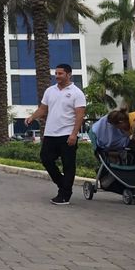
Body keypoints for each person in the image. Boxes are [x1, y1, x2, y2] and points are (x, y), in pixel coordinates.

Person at [25, 64, 87, 205]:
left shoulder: (77, 93)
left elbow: (79, 116)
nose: (57, 76)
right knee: (46, 159)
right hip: (51, 134)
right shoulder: (50, 91)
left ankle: (64, 195)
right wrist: (32, 117)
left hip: (67, 134)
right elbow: (43, 109)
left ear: (69, 74)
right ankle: (63, 185)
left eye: (60, 73)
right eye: (56, 73)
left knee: (68, 165)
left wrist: (74, 134)